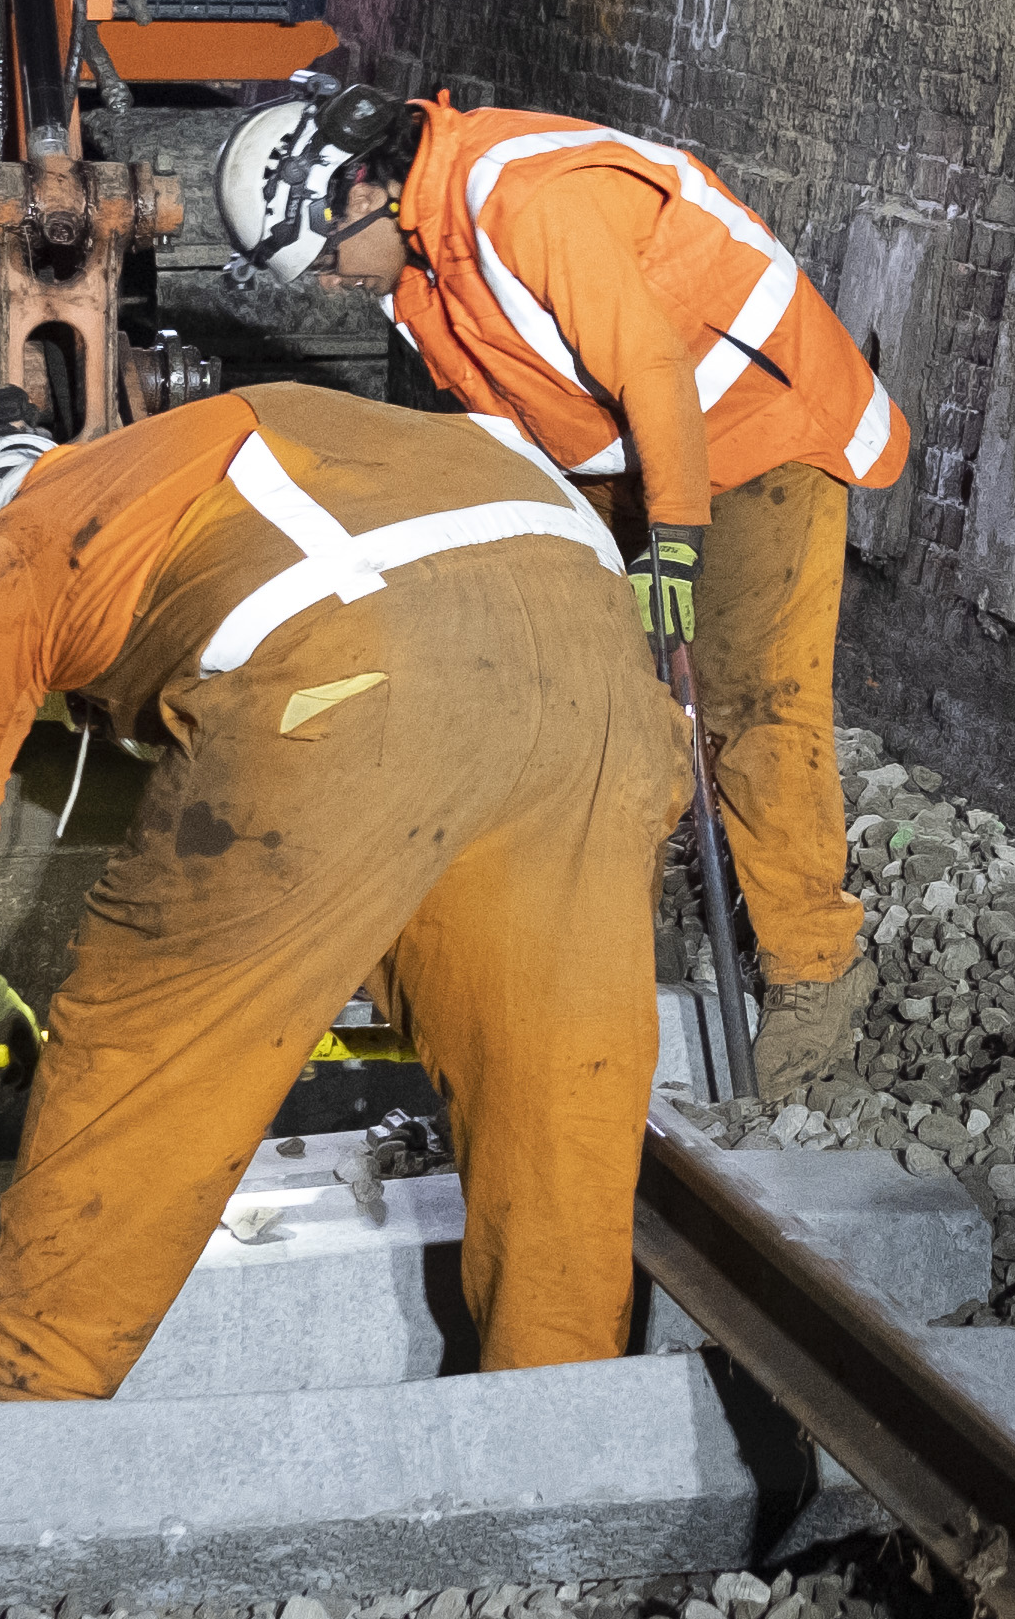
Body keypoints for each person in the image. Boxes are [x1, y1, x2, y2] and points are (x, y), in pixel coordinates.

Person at [0, 379, 678, 1398]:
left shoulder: (7, 551)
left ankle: (10, 1392)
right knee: (557, 1078)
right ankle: (567, 1415)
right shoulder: (174, 453)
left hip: (349, 661)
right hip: (594, 663)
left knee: (156, 1047)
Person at [208, 85, 910, 1088]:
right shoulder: (417, 276)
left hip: (755, 431)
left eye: (323, 262)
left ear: (359, 189)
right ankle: (643, 929)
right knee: (603, 695)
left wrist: (669, 550)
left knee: (751, 705)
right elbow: (514, 432)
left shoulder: (519, 199)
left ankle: (817, 968)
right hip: (631, 456)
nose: (327, 287)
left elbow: (654, 367)